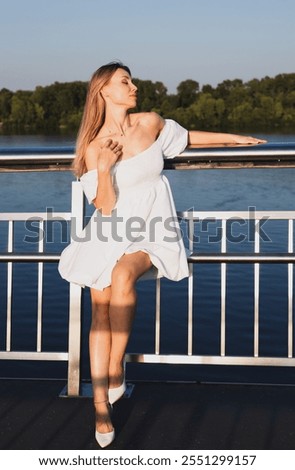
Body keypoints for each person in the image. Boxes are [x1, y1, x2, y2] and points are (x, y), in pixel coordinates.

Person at [58, 61, 265, 448]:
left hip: (153, 229)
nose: (134, 86)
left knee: (122, 276)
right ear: (104, 91)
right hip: (109, 229)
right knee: (99, 305)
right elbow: (103, 206)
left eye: (131, 80)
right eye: (125, 82)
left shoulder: (150, 122)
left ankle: (116, 365)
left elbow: (188, 137)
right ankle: (100, 403)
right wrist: (103, 168)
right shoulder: (93, 145)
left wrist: (234, 138)